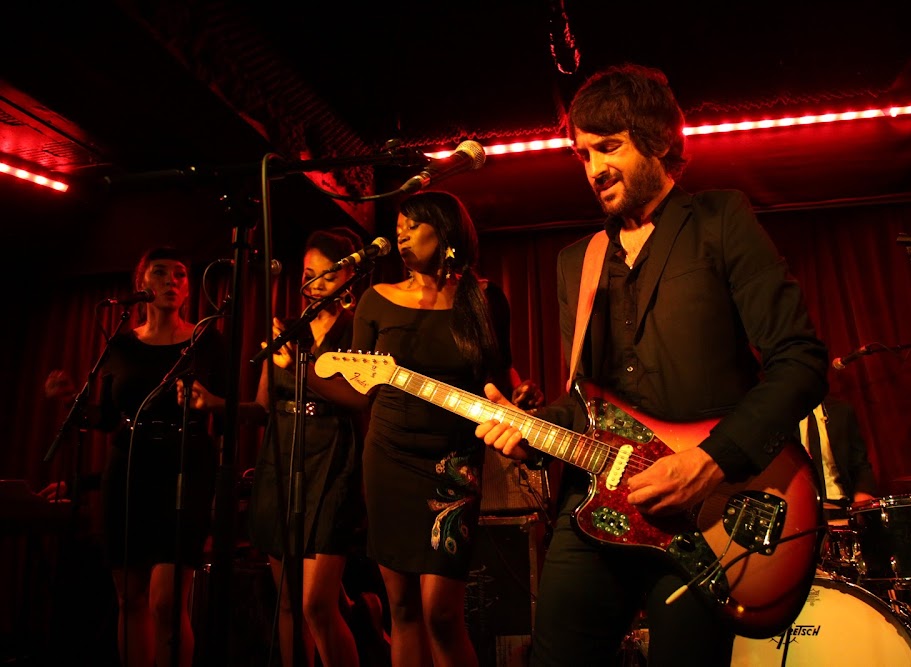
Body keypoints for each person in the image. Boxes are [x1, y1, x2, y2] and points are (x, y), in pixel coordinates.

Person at [474, 63, 829, 666]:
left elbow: (801, 360)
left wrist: (711, 462)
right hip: (595, 507)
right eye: (584, 154)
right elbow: (586, 403)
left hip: (707, 513)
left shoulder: (720, 219)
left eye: (609, 147)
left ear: (659, 142)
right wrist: (529, 431)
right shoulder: (577, 262)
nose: (594, 168)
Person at [350, 190, 537, 667]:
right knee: (403, 609)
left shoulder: (485, 298)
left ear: (446, 231)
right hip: (388, 458)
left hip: (453, 462)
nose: (401, 234)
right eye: (398, 227)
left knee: (442, 614)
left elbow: (499, 373)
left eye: (413, 225)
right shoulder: (376, 299)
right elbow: (358, 384)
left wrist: (518, 397)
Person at [179, 229, 376, 667]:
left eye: (327, 274)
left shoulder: (357, 328)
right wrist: (213, 403)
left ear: (349, 277)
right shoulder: (286, 329)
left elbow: (362, 400)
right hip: (280, 464)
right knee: (287, 604)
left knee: (317, 606)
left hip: (332, 465)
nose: (315, 283)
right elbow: (263, 407)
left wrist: (303, 367)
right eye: (308, 273)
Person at [44, 246, 225, 667]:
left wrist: (207, 404)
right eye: (160, 272)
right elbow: (108, 418)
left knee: (166, 602)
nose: (171, 281)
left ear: (188, 288)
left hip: (184, 465)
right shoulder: (122, 345)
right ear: (141, 284)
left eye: (179, 274)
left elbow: (228, 409)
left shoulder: (206, 340)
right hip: (128, 468)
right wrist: (70, 400)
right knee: (130, 598)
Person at [800, 396, 878, 519]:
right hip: (800, 506)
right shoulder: (782, 416)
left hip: (840, 502)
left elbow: (860, 464)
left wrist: (863, 492)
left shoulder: (842, 411)